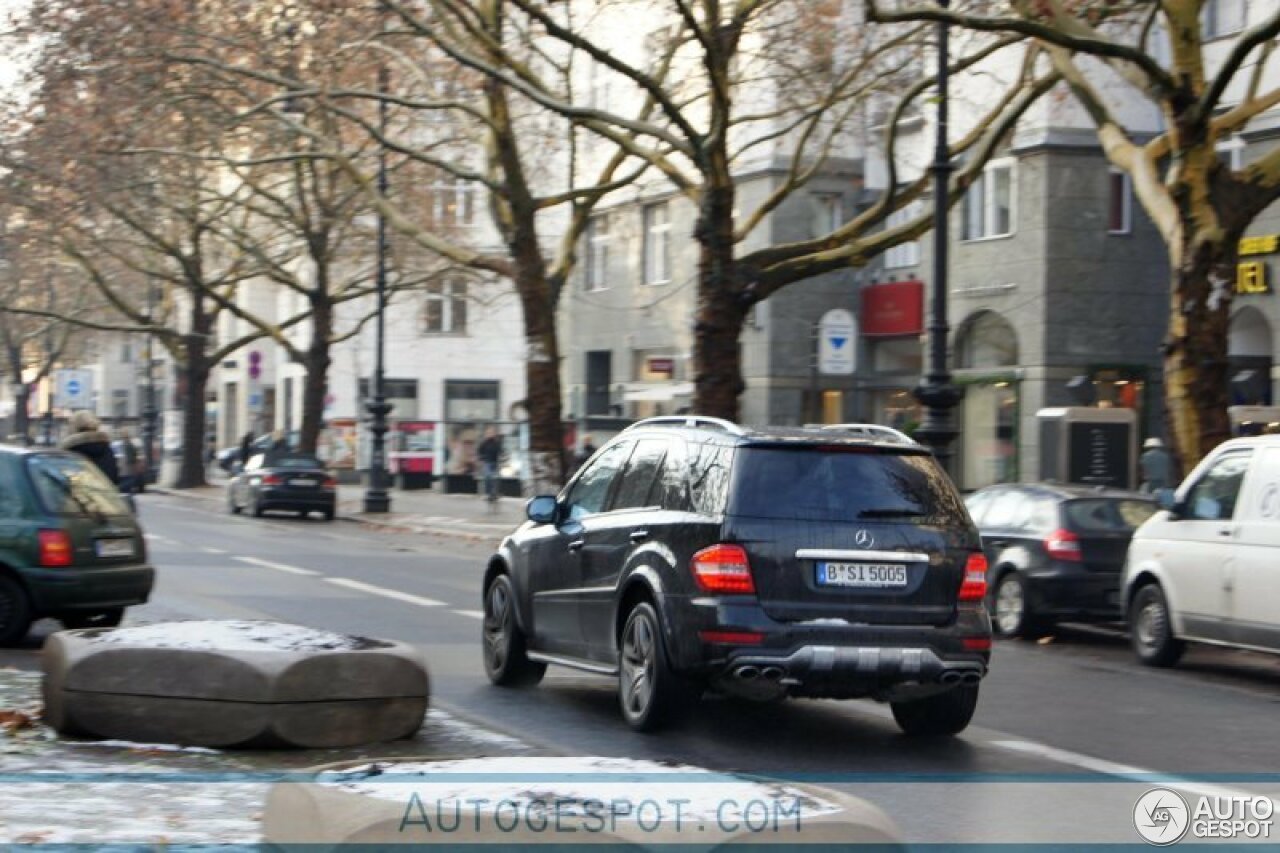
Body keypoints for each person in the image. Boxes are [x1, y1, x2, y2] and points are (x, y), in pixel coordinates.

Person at [60, 410, 119, 486]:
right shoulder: (107, 449)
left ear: (74, 427)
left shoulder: (70, 451)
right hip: (104, 496)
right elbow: (114, 478)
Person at [477, 426, 503, 502]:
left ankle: (494, 494)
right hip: (487, 463)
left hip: (495, 463)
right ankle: (489, 494)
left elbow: (500, 452)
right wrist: (481, 459)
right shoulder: (484, 443)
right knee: (488, 477)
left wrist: (501, 458)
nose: (490, 434)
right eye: (489, 432)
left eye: (492, 432)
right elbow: (479, 451)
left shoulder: (496, 443)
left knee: (495, 479)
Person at [117, 429, 141, 494]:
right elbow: (134, 456)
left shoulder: (125, 445)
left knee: (125, 487)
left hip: (125, 468)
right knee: (128, 487)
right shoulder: (130, 444)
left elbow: (131, 457)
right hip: (128, 468)